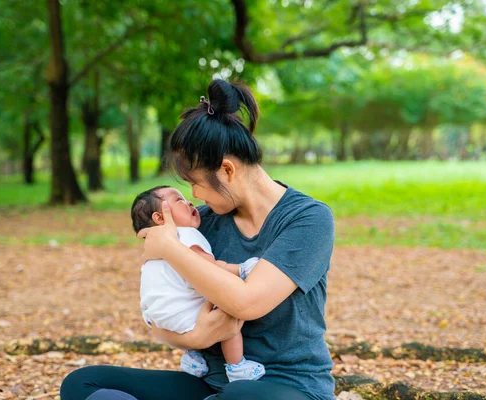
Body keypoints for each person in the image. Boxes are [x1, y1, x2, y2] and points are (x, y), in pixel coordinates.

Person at [59, 79, 336, 400]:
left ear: (227, 170)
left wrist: (168, 247)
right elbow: (158, 310)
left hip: (287, 387)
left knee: (238, 398)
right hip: (211, 383)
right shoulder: (200, 222)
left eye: (196, 184)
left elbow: (248, 302)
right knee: (83, 384)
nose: (193, 196)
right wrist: (192, 338)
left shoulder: (307, 219)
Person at [131, 185, 265, 382]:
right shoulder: (185, 235)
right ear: (160, 218)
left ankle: (193, 356)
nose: (190, 201)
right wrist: (240, 270)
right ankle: (237, 367)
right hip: (183, 313)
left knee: (192, 301)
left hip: (157, 314)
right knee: (228, 307)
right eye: (179, 200)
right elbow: (210, 269)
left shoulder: (153, 246)